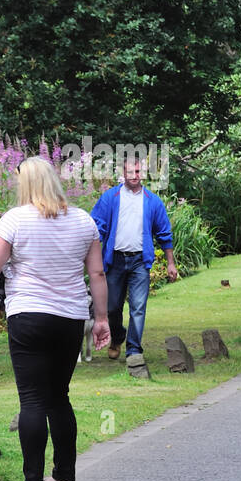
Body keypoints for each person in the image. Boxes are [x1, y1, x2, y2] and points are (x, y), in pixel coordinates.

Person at [0, 157, 109, 481]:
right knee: (59, 398)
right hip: (70, 317)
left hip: (28, 315)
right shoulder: (83, 220)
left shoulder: (16, 219)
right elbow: (97, 274)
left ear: (25, 184)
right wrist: (102, 319)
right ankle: (64, 476)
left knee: (33, 400)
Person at [90, 156, 177, 364]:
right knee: (112, 307)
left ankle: (133, 350)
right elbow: (96, 228)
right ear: (123, 173)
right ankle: (117, 337)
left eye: (138, 172)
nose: (134, 176)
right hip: (115, 260)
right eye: (130, 172)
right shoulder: (110, 198)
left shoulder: (152, 201)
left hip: (140, 261)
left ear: (143, 173)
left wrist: (170, 263)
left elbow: (164, 233)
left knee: (138, 307)